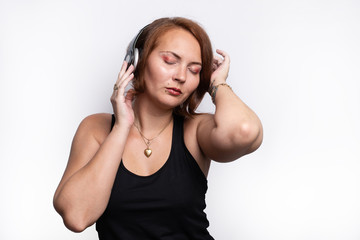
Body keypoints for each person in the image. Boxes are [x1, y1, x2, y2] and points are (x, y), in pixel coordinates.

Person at [53, 17, 263, 239]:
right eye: (170, 61)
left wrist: (217, 84)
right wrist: (122, 127)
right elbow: (76, 217)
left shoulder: (195, 130)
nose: (181, 76)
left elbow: (245, 130)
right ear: (137, 60)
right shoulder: (96, 129)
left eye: (194, 70)